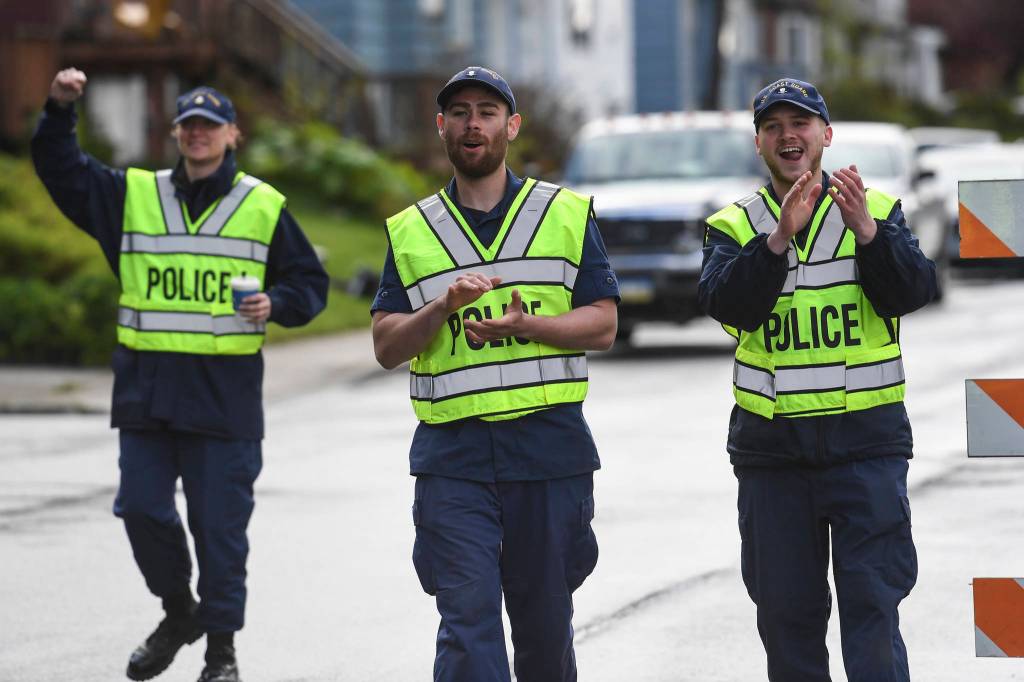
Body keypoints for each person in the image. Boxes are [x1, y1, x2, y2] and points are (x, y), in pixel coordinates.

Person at [32, 69, 328, 682]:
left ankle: (221, 652)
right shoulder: (133, 196)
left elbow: (310, 286)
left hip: (225, 401)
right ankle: (178, 611)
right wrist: (60, 109)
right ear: (175, 133)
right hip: (148, 393)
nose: (198, 136)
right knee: (141, 510)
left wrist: (277, 303)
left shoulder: (262, 206)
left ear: (231, 135)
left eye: (210, 127)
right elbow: (61, 170)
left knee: (220, 533)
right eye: (189, 126)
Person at [370, 66, 619, 682]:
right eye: (459, 113)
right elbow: (385, 345)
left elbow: (603, 325)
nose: (471, 122)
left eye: (486, 111)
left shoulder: (563, 213)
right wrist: (440, 308)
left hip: (547, 452)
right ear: (442, 127)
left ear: (511, 125)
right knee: (468, 624)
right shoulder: (412, 231)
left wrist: (529, 327)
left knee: (542, 632)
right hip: (453, 459)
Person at [699, 78, 937, 682]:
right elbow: (729, 304)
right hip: (774, 455)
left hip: (867, 447)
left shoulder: (874, 208)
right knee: (787, 619)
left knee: (873, 609)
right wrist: (777, 238)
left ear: (825, 136)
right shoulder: (734, 225)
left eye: (800, 124)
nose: (788, 136)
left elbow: (912, 291)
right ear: (758, 143)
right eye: (774, 126)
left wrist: (868, 234)